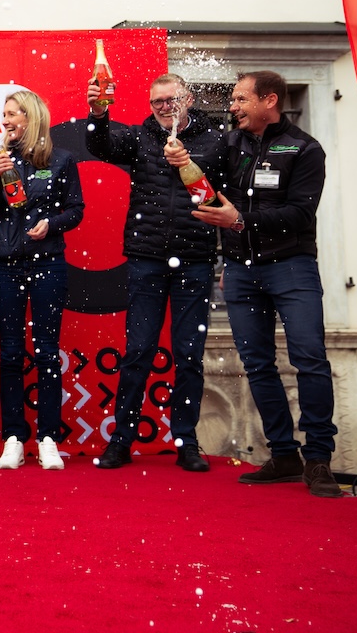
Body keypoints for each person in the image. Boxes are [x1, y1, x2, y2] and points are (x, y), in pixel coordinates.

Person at [171, 70, 342, 498]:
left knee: (310, 359)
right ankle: (284, 455)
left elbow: (301, 215)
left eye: (240, 100)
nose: (232, 107)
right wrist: (183, 162)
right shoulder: (230, 144)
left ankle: (319, 460)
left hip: (292, 267)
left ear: (269, 101)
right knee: (258, 364)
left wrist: (241, 220)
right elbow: (207, 188)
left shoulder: (305, 148)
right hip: (241, 270)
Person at [86, 73, 224, 473]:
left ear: (189, 99)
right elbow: (100, 145)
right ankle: (121, 440)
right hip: (146, 259)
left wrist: (189, 165)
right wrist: (98, 112)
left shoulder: (214, 138)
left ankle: (187, 442)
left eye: (171, 99)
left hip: (195, 261)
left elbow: (213, 198)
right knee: (138, 353)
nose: (164, 106)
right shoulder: (139, 136)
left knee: (189, 356)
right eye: (157, 101)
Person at [0, 88, 84, 472]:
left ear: (31, 117)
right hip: (6, 265)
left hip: (48, 264)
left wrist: (51, 225)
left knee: (46, 353)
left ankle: (48, 439)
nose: (5, 120)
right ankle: (13, 438)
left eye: (12, 113)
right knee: (10, 352)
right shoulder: (0, 159)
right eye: (3, 114)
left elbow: (76, 210)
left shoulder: (61, 160)